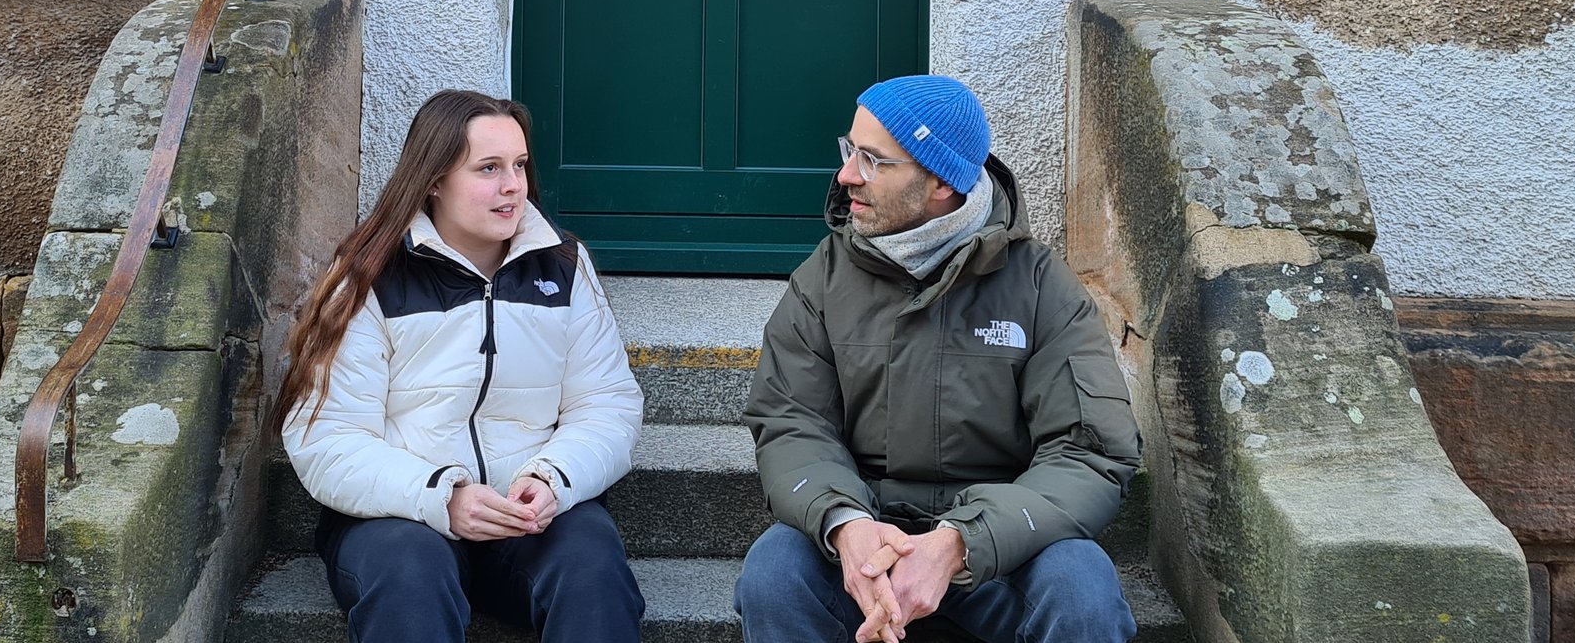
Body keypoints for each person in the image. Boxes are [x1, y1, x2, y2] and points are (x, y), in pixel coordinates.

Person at [735, 75, 1143, 643]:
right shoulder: (822, 282)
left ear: (941, 185)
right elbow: (791, 422)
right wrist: (844, 523)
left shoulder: (1041, 287)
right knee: (776, 574)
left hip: (1001, 546)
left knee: (1082, 588)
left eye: (873, 161)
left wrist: (962, 542)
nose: (846, 175)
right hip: (865, 532)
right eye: (848, 150)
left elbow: (1090, 452)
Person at [278, 89, 645, 643]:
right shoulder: (370, 275)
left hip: (528, 515)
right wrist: (440, 496)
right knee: (409, 579)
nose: (513, 186)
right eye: (489, 168)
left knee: (593, 566)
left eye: (520, 165)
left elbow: (607, 404)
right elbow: (325, 435)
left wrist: (553, 479)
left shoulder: (564, 266)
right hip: (399, 517)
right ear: (433, 179)